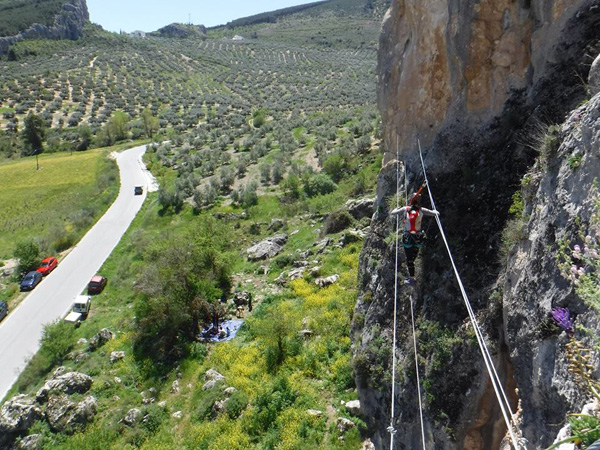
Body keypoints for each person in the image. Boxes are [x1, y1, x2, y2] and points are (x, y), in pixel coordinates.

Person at [390, 193, 439, 281]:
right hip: (418, 239)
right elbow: (435, 213)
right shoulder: (422, 210)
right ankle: (412, 272)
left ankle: (412, 277)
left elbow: (393, 213)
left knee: (409, 258)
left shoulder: (406, 209)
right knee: (413, 257)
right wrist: (435, 211)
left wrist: (396, 209)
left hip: (407, 238)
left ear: (411, 200)